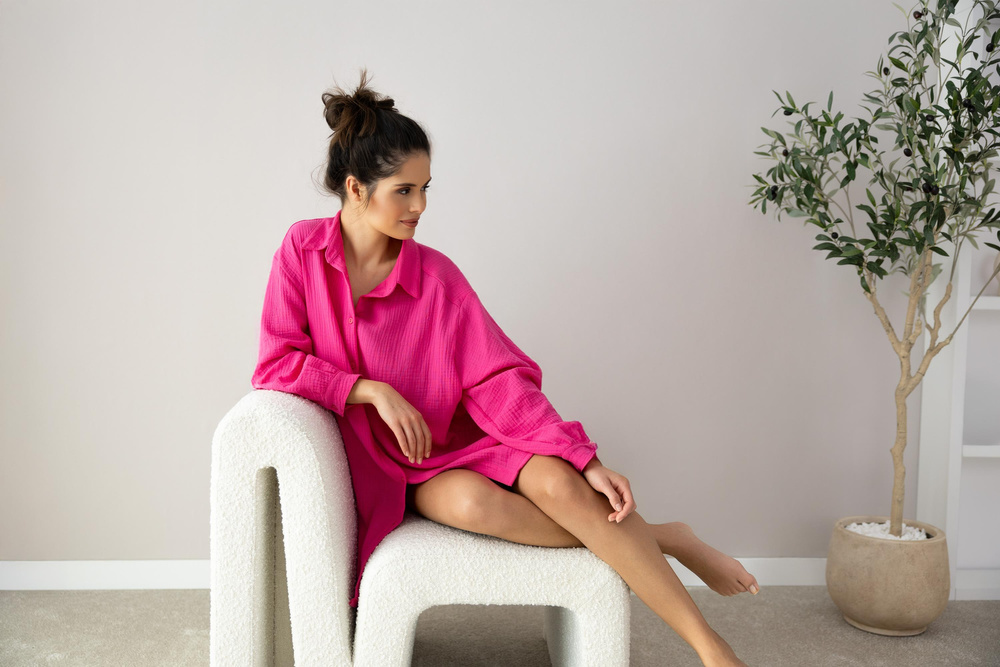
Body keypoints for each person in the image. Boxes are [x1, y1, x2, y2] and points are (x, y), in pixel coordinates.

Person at [251, 68, 758, 667]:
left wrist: (583, 458)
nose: (420, 206)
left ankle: (712, 649)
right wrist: (370, 391)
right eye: (404, 191)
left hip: (475, 437)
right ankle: (665, 538)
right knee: (474, 507)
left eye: (425, 188)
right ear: (357, 189)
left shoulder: (436, 277)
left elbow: (498, 379)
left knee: (562, 485)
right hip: (402, 466)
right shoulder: (301, 252)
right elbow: (276, 363)